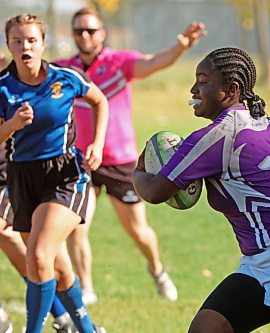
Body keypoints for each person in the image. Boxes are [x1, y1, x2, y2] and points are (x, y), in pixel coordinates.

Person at [133, 47, 270, 333]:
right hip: (260, 263)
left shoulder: (210, 139)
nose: (193, 89)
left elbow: (154, 191)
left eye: (202, 81)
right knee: (207, 328)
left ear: (231, 89)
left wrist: (137, 170)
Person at [56, 7, 207, 304]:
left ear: (102, 33)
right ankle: (87, 288)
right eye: (78, 31)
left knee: (138, 231)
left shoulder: (118, 63)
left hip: (120, 161)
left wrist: (182, 46)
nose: (84, 36)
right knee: (76, 226)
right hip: (81, 160)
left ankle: (157, 270)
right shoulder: (65, 69)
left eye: (90, 30)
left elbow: (155, 62)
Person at [0, 13, 108, 333]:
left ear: (43, 43)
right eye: (17, 41)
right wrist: (12, 125)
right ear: (8, 45)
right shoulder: (3, 87)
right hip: (22, 178)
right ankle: (86, 329)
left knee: (38, 254)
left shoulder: (65, 77)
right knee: (57, 268)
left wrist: (97, 145)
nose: (25, 47)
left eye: (32, 40)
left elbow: (99, 100)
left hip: (64, 174)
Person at [0, 144, 77, 333]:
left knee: (42, 258)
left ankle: (77, 322)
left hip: (8, 178)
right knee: (25, 254)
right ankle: (64, 318)